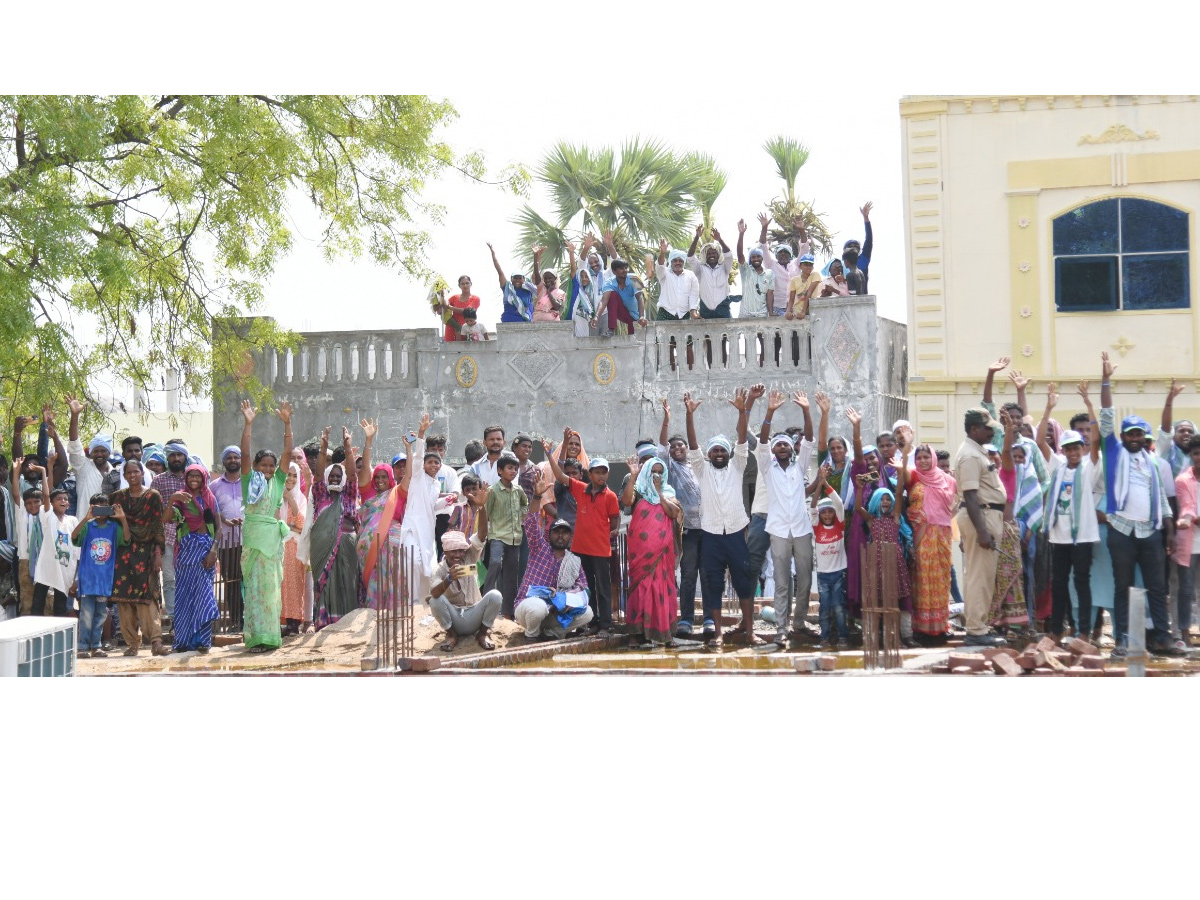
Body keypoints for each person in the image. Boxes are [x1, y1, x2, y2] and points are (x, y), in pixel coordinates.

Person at [1097, 351, 1176, 657]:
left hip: (1151, 533)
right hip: (1121, 531)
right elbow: (1106, 414)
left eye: (1139, 434)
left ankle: (1162, 638)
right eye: (1130, 433)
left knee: (1157, 588)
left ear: (1144, 437)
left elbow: (1163, 502)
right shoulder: (1114, 452)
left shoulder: (1153, 462)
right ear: (1122, 436)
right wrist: (1106, 380)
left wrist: (1168, 531)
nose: (1134, 438)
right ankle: (1122, 639)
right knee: (1124, 587)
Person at [684, 385, 763, 648]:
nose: (718, 454)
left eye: (722, 450)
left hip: (736, 533)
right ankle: (717, 632)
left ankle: (749, 631)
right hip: (711, 535)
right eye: (714, 450)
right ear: (709, 454)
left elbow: (741, 439)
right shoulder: (701, 470)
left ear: (728, 454)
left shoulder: (738, 466)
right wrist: (689, 415)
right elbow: (692, 445)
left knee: (743, 582)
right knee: (714, 583)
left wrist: (743, 411)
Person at [755, 389, 816, 647]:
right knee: (781, 582)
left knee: (805, 579)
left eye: (785, 445)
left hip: (801, 529)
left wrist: (806, 410)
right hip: (779, 530)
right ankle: (781, 627)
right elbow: (762, 443)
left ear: (792, 449)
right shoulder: (767, 467)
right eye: (778, 444)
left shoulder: (799, 466)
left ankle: (799, 622)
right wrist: (769, 411)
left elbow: (810, 439)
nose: (781, 447)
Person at [544, 443, 619, 636]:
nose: (601, 476)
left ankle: (605, 625)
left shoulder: (610, 496)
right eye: (597, 472)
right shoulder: (580, 488)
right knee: (586, 587)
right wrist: (549, 455)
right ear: (590, 474)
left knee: (603, 588)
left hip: (601, 550)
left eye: (604, 472)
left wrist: (613, 530)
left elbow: (615, 518)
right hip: (580, 549)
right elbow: (560, 476)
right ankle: (591, 623)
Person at [238, 400, 293, 652]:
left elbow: (287, 454)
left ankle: (270, 637)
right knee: (254, 591)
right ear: (257, 467)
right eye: (264, 465)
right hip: (252, 540)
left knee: (271, 591)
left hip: (271, 542)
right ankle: (254, 638)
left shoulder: (279, 481)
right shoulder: (250, 481)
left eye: (271, 465)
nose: (269, 469)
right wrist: (248, 424)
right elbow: (246, 455)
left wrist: (287, 424)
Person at [953, 407, 1008, 647]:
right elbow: (971, 496)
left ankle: (979, 626)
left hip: (986, 515)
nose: (991, 432)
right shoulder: (971, 455)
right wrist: (983, 531)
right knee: (979, 577)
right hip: (981, 517)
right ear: (974, 429)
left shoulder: (978, 452)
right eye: (987, 428)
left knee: (982, 576)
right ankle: (976, 630)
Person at [512, 491, 593, 643]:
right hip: (528, 608)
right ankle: (531, 635)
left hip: (554, 613)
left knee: (587, 612)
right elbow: (530, 523)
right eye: (557, 532)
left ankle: (551, 632)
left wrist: (565, 598)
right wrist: (537, 496)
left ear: (570, 537)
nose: (561, 536)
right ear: (550, 535)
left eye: (565, 533)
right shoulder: (539, 548)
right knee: (538, 606)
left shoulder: (574, 561)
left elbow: (584, 590)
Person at [620, 453, 682, 648]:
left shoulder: (669, 492)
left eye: (660, 472)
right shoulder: (638, 490)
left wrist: (659, 493)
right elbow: (627, 501)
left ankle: (664, 634)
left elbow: (674, 513)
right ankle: (638, 634)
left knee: (662, 588)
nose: (656, 475)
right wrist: (633, 475)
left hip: (662, 553)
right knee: (641, 589)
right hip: (641, 552)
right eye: (653, 472)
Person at [655, 400, 705, 639]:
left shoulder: (698, 464)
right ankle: (685, 619)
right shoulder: (670, 468)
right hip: (686, 531)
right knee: (687, 574)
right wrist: (666, 420)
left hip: (707, 528)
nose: (676, 448)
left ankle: (708, 619)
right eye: (674, 446)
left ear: (687, 448)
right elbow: (662, 447)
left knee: (707, 573)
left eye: (680, 445)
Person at [110, 458, 168, 656]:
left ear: (142, 473)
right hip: (123, 553)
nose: (133, 475)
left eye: (136, 471)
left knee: (149, 598)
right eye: (129, 473)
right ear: (124, 476)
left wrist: (158, 554)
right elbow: (111, 527)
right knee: (124, 600)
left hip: (147, 553)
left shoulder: (153, 496)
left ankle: (156, 642)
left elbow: (157, 525)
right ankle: (132, 644)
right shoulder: (117, 498)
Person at [165, 463, 221, 652]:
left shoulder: (210, 498)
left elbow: (219, 529)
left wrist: (213, 551)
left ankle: (202, 641)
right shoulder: (181, 498)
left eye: (198, 476)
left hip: (205, 551)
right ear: (186, 478)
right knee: (184, 597)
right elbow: (165, 519)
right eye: (191, 476)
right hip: (185, 552)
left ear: (204, 478)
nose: (194, 479)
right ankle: (183, 641)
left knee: (204, 596)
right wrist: (172, 499)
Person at [311, 425, 362, 628]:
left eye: (337, 477)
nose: (334, 478)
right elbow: (316, 476)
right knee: (325, 585)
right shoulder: (320, 494)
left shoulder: (348, 495)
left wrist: (347, 447)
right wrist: (323, 448)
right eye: (331, 476)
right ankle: (325, 622)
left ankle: (346, 623)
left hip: (346, 546)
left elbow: (351, 475)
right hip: (321, 549)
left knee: (347, 583)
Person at [905, 445, 957, 643]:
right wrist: (903, 453)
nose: (923, 461)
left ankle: (941, 625)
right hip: (921, 535)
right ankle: (920, 627)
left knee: (942, 579)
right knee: (921, 578)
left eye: (927, 457)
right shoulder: (914, 476)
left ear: (933, 458)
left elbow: (958, 502)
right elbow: (903, 475)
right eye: (919, 458)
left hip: (942, 535)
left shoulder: (949, 481)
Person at [71, 493, 128, 656]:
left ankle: (96, 645)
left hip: (104, 580)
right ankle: (82, 646)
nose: (101, 511)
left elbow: (126, 538)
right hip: (88, 580)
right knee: (86, 616)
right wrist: (86, 518)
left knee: (101, 615)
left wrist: (122, 519)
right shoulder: (88, 526)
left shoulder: (113, 527)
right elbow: (74, 537)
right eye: (97, 507)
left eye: (105, 506)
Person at [429, 529, 503, 651]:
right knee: (434, 600)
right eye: (454, 551)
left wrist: (482, 510)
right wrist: (449, 579)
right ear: (445, 551)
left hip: (475, 614)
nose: (458, 555)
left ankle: (482, 633)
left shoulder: (469, 557)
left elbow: (482, 535)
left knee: (495, 595)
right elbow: (434, 593)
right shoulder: (439, 569)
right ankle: (452, 635)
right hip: (454, 620)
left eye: (460, 551)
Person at [479, 449, 527, 617]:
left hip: (514, 538)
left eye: (515, 468)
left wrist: (521, 515)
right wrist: (483, 535)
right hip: (497, 536)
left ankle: (508, 613)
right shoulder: (492, 491)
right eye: (509, 468)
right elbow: (485, 511)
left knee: (511, 575)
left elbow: (524, 505)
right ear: (500, 471)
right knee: (495, 563)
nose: (513, 471)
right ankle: (485, 602)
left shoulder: (518, 490)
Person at [31, 450, 79, 618]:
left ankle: (58, 640)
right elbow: (46, 492)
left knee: (60, 608)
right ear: (51, 503)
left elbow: (76, 549)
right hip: (47, 567)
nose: (63, 501)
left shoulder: (73, 520)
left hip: (65, 568)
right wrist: (46, 470)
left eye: (66, 499)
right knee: (37, 605)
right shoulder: (48, 517)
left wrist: (75, 577)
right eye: (59, 499)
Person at [151, 439, 191, 629]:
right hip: (166, 535)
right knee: (169, 578)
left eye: (179, 454)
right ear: (167, 457)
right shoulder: (158, 480)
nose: (176, 458)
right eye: (172, 455)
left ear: (185, 456)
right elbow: (154, 512)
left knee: (189, 576)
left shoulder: (193, 477)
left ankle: (190, 615)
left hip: (190, 535)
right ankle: (175, 619)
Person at [357, 458, 406, 610]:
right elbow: (364, 467)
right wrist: (369, 441)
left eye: (384, 477)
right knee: (374, 578)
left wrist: (410, 448)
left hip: (392, 545)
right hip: (369, 549)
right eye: (377, 477)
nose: (380, 480)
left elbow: (409, 476)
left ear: (390, 478)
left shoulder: (398, 493)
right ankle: (373, 609)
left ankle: (393, 609)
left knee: (392, 576)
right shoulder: (368, 495)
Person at [811, 467, 850, 648]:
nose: (827, 515)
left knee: (839, 608)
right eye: (824, 512)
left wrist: (825, 483)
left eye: (830, 512)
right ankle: (824, 637)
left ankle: (843, 637)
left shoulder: (839, 526)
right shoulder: (817, 528)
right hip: (823, 576)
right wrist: (819, 484)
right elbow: (812, 506)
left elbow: (839, 503)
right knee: (825, 608)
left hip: (839, 574)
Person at [208, 444, 244, 629]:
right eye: (229, 457)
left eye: (236, 457)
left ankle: (252, 619)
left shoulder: (248, 482)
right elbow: (211, 510)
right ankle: (237, 620)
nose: (233, 460)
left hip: (249, 540)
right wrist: (224, 519)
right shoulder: (214, 486)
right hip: (226, 541)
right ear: (223, 461)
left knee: (250, 580)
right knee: (231, 581)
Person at [1172, 434, 1200, 650]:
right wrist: (1188, 519)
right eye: (1196, 453)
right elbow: (1187, 505)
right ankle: (1184, 632)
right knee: (1186, 589)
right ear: (1191, 455)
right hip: (1189, 542)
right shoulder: (1183, 479)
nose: (1199, 457)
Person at [9, 458, 45, 617]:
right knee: (26, 598)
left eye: (36, 502)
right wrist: (16, 471)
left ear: (42, 502)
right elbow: (16, 494)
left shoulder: (46, 513)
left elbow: (47, 493)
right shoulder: (22, 513)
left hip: (44, 560)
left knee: (45, 599)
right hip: (25, 560)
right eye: (29, 503)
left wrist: (44, 471)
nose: (33, 506)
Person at [593, 240, 648, 334]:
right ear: (614, 271)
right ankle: (611, 329)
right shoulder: (609, 282)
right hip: (623, 312)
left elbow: (640, 297)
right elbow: (604, 301)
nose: (625, 270)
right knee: (612, 295)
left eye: (626, 268)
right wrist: (597, 316)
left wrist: (642, 316)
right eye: (621, 268)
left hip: (637, 316)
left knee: (633, 341)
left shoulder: (634, 279)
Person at [280, 463, 309, 634]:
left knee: (295, 585)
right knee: (280, 584)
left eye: (294, 476)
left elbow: (301, 524)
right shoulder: (275, 495)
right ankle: (282, 622)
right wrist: (291, 527)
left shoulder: (301, 498)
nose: (290, 478)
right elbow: (276, 521)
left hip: (294, 547)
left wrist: (290, 499)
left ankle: (294, 622)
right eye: (287, 475)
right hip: (278, 545)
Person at [687, 224, 734, 319]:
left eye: (714, 253)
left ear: (718, 255)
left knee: (726, 333)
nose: (711, 255)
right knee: (705, 334)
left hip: (723, 309)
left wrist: (720, 240)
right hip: (705, 311)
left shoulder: (724, 267)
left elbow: (728, 255)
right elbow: (690, 257)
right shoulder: (700, 269)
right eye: (708, 253)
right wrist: (697, 237)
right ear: (705, 256)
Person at [735, 219, 775, 318]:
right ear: (750, 259)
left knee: (763, 334)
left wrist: (771, 312)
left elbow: (769, 294)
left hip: (762, 314)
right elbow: (740, 254)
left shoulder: (769, 273)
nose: (756, 259)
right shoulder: (746, 270)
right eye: (753, 257)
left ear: (762, 258)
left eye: (758, 256)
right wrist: (741, 234)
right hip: (745, 314)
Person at [488, 241, 535, 324]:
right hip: (509, 320)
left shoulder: (529, 289)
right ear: (511, 279)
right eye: (515, 278)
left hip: (525, 321)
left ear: (524, 279)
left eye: (520, 278)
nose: (517, 280)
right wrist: (493, 254)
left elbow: (536, 272)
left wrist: (536, 255)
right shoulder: (507, 288)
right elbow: (500, 272)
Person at [654, 240, 701, 321]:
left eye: (680, 261)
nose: (678, 263)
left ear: (684, 262)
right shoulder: (664, 273)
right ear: (671, 262)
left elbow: (694, 295)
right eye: (675, 260)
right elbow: (660, 265)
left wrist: (693, 313)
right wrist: (662, 252)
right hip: (665, 313)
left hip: (684, 315)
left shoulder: (691, 275)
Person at [841, 201, 874, 294]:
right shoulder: (842, 265)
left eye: (855, 248)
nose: (853, 250)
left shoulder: (863, 260)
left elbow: (869, 240)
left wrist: (866, 218)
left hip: (862, 302)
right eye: (850, 248)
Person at [439, 275, 481, 341]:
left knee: (466, 350)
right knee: (450, 350)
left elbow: (466, 311)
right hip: (452, 329)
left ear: (471, 284)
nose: (465, 285)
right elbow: (443, 307)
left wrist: (449, 307)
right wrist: (441, 296)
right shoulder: (454, 298)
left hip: (467, 330)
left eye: (467, 283)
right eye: (462, 284)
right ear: (459, 285)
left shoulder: (475, 298)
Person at [530, 247, 565, 322]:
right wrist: (535, 255)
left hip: (553, 324)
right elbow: (536, 273)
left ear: (555, 279)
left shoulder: (560, 293)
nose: (547, 280)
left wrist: (549, 292)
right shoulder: (541, 288)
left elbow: (556, 307)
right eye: (545, 278)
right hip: (537, 320)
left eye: (550, 278)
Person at [786, 254, 821, 320]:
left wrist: (803, 312)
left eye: (810, 265)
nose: (808, 267)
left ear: (813, 267)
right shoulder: (794, 280)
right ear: (800, 266)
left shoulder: (815, 275)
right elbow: (791, 298)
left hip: (811, 310)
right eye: (806, 264)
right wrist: (788, 312)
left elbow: (809, 293)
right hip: (797, 311)